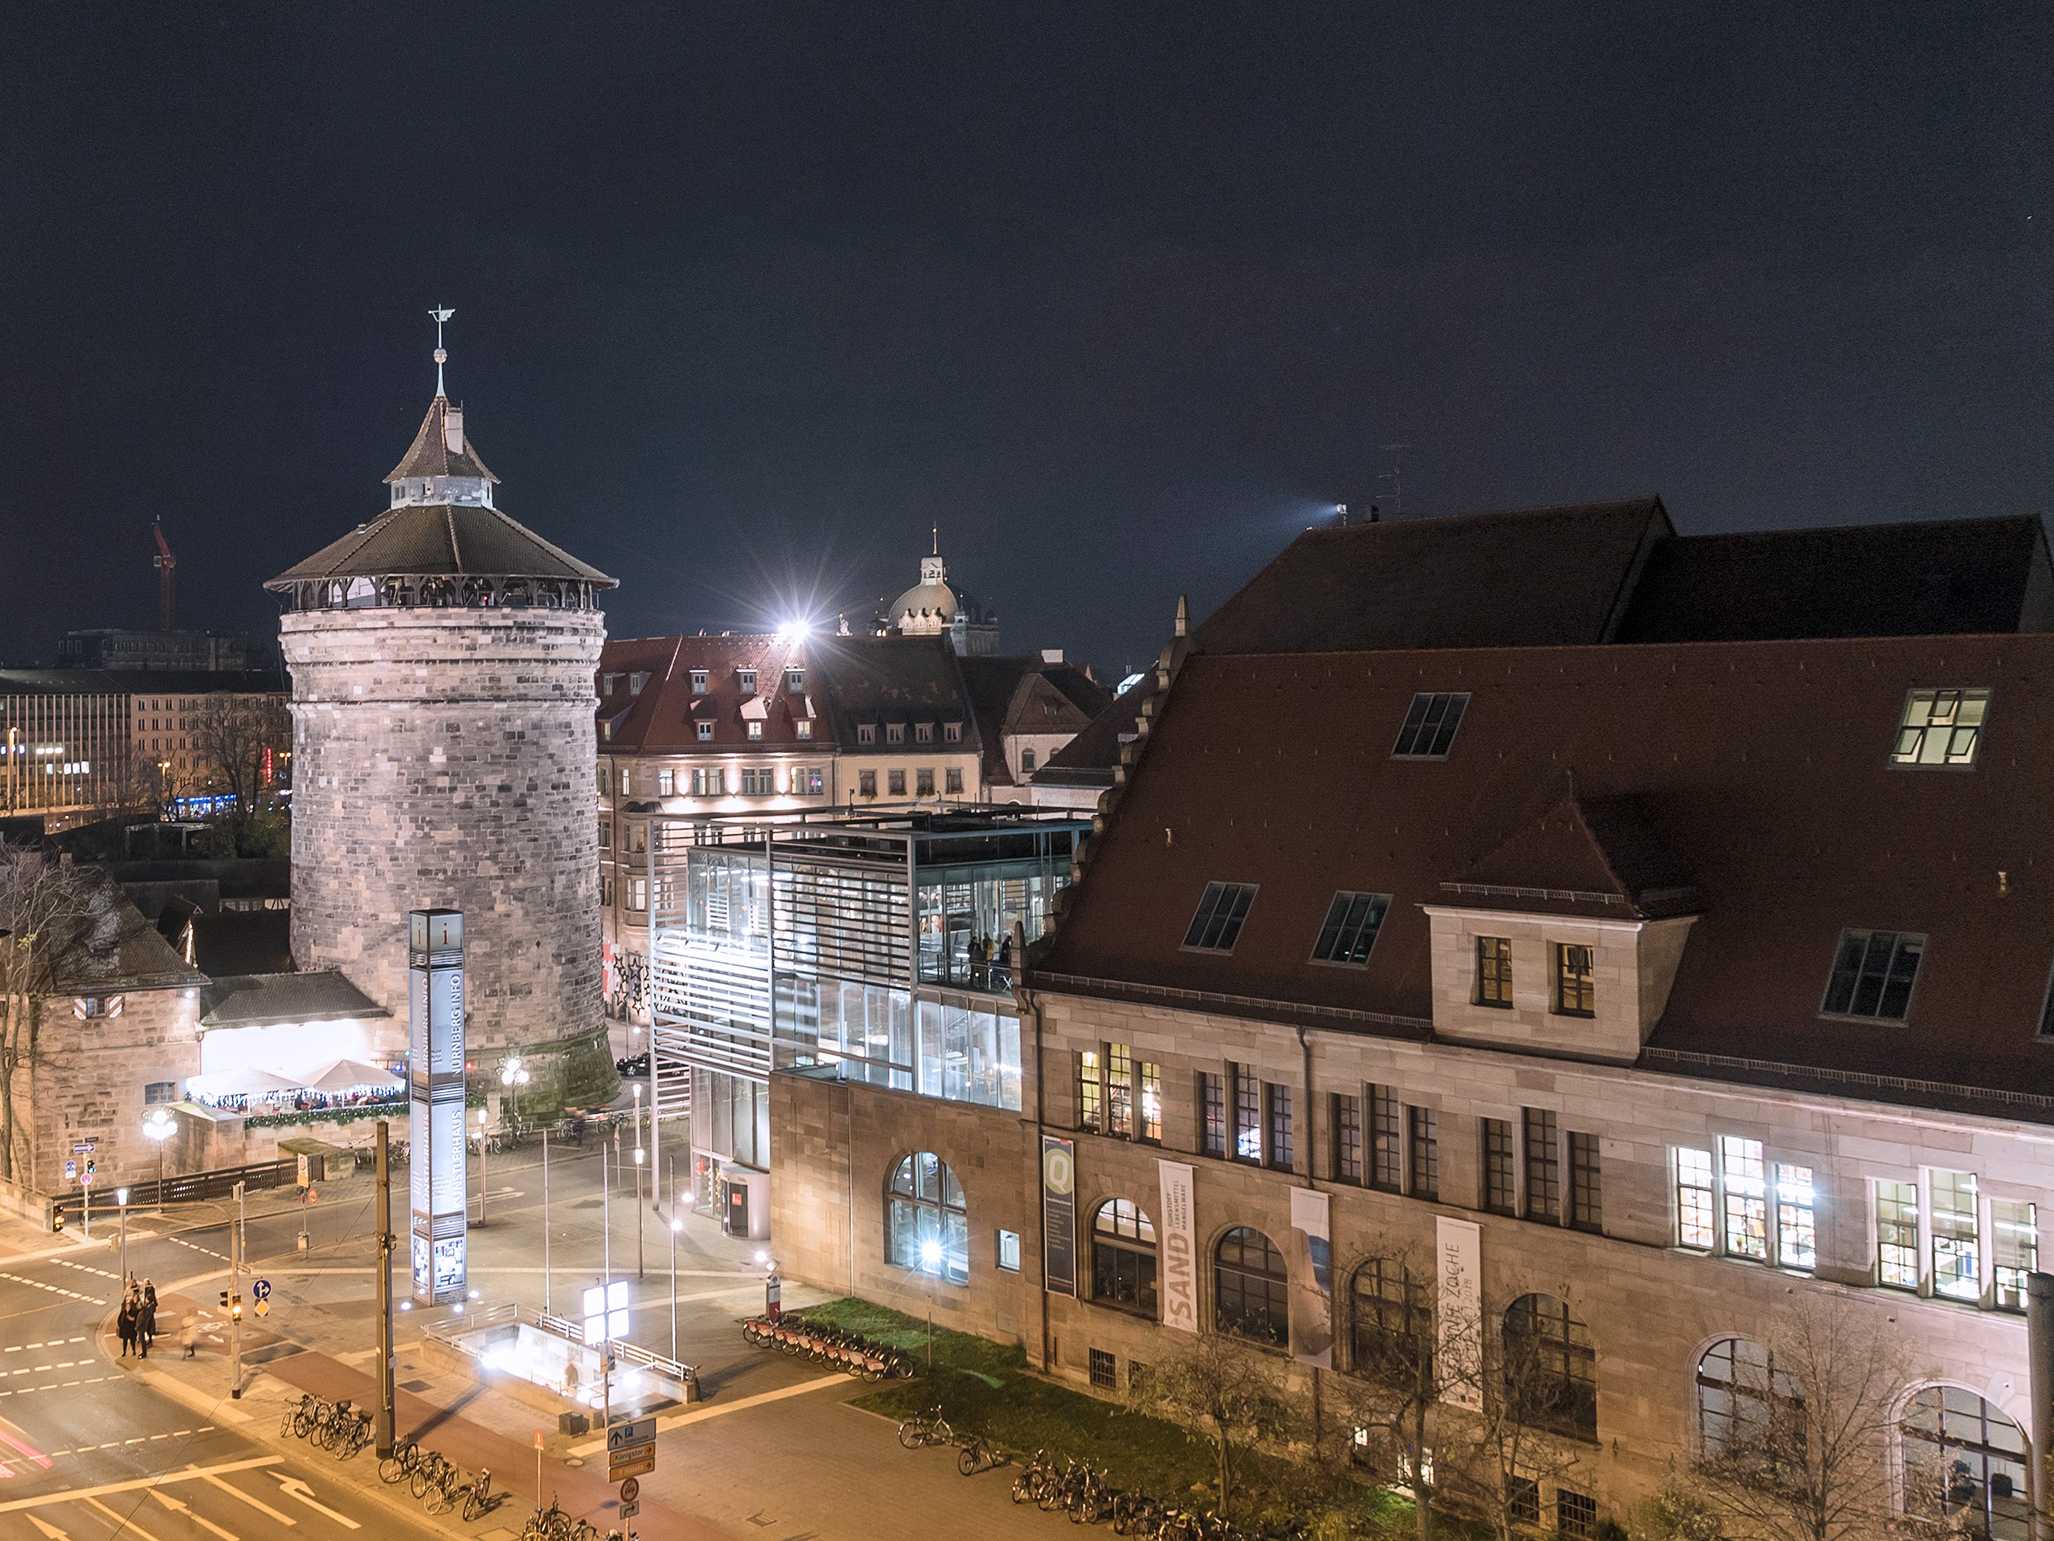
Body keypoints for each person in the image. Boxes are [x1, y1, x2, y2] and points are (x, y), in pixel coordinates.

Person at [138, 1288, 157, 1359]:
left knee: (142, 1340)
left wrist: (143, 1308)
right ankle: (143, 1352)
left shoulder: (149, 1307)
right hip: (144, 1325)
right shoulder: (149, 1306)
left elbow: (145, 1316)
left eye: (146, 1299)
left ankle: (144, 1354)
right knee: (142, 1339)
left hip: (143, 1326)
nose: (145, 1300)